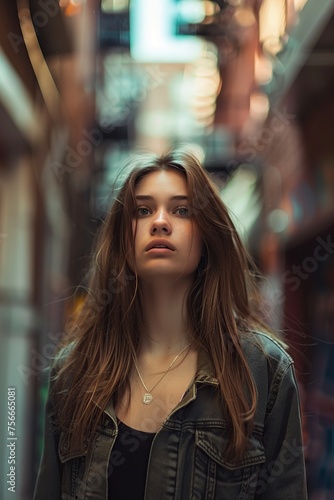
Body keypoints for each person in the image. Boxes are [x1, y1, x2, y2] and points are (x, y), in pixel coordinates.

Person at [34, 148, 308, 499]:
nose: (160, 221)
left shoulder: (264, 372)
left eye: (181, 210)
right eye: (143, 210)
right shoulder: (74, 372)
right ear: (122, 238)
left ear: (207, 237)